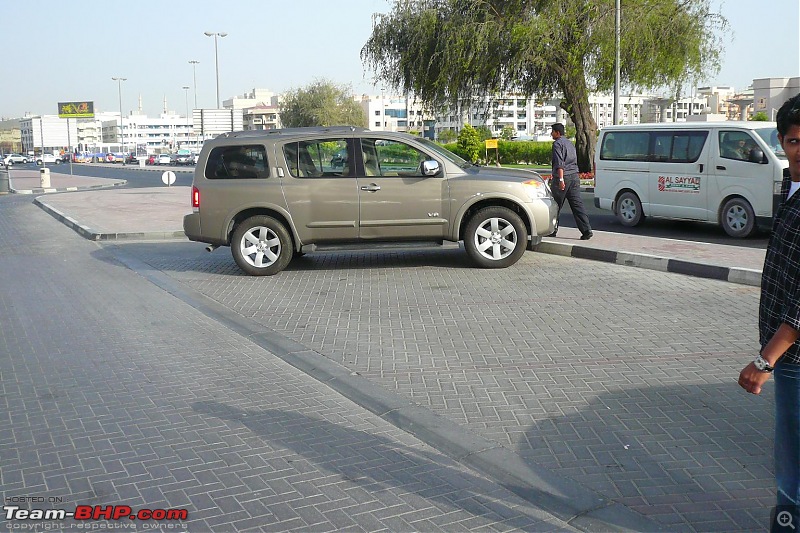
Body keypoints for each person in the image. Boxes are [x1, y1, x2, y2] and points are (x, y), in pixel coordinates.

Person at [738, 93, 800, 530]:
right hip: (789, 357)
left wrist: (766, 359)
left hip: (794, 356)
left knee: (793, 468)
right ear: (781, 141)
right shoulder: (790, 185)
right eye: (796, 140)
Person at [548, 123, 592, 239]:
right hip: (574, 177)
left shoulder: (557, 144)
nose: (551, 134)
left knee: (555, 206)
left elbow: (560, 163)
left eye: (552, 131)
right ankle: (586, 230)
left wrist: (561, 179)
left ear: (557, 133)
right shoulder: (569, 143)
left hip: (563, 178)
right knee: (577, 205)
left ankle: (552, 230)